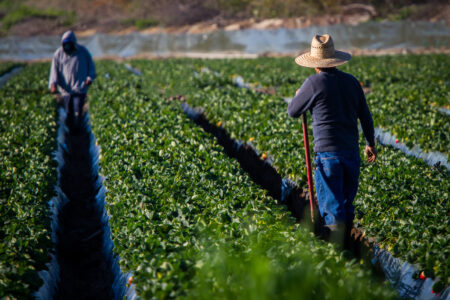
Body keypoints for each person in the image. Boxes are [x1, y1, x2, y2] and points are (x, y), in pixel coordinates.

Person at [287, 34, 377, 239]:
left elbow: (293, 111)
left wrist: (298, 93)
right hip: (351, 153)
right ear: (334, 60)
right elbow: (365, 115)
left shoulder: (313, 83)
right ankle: (350, 248)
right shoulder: (352, 82)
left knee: (333, 210)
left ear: (315, 63)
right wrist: (370, 143)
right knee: (346, 204)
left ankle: (338, 253)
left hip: (328, 156)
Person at [49, 30, 96, 117]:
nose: (67, 46)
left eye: (69, 44)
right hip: (65, 90)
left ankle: (78, 128)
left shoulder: (83, 52)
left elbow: (91, 67)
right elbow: (54, 70)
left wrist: (89, 78)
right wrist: (53, 84)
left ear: (73, 43)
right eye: (65, 44)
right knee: (68, 113)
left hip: (80, 88)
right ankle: (71, 128)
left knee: (78, 112)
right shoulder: (58, 54)